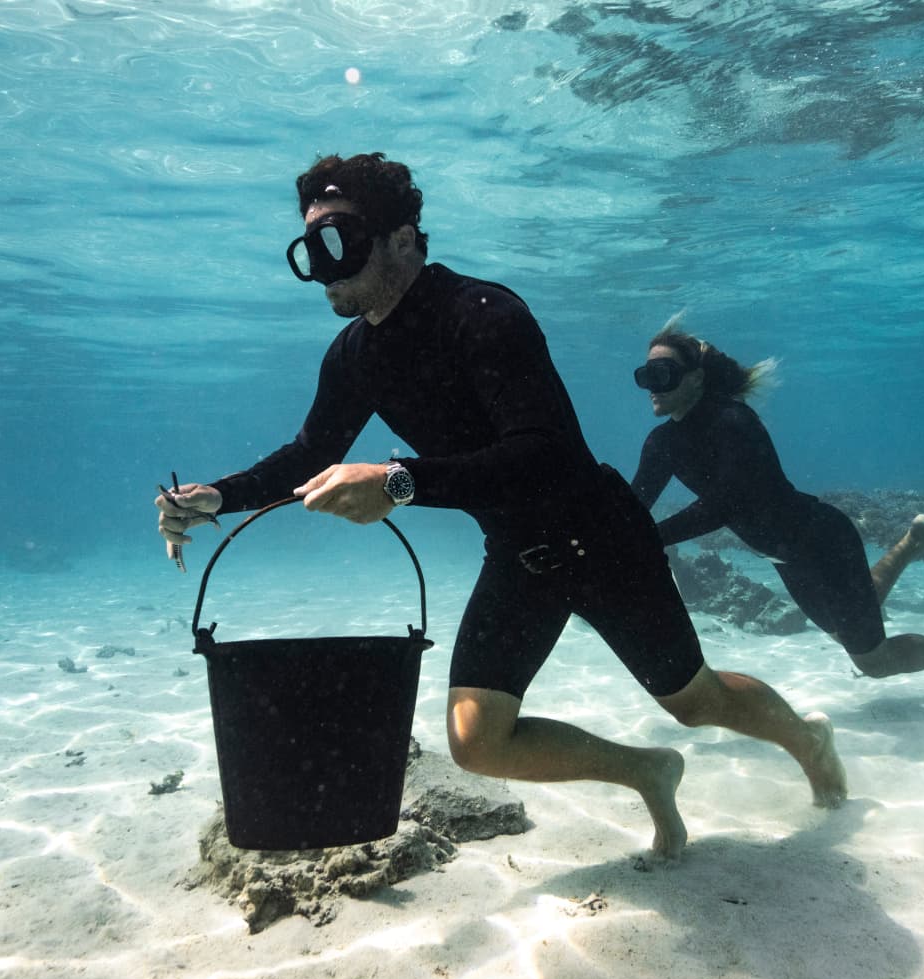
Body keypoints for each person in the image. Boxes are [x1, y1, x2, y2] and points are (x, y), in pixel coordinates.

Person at [156, 153, 845, 860]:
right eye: (313, 249)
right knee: (477, 741)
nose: (326, 267)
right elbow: (310, 452)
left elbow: (540, 455)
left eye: (343, 241)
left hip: (602, 538)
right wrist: (218, 497)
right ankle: (647, 771)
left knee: (696, 702)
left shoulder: (484, 314)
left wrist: (397, 482)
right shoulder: (353, 355)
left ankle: (807, 739)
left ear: (403, 239)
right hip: (520, 555)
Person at [628, 321, 924, 706]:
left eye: (662, 374)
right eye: (645, 376)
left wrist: (649, 540)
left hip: (823, 544)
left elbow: (724, 504)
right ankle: (917, 537)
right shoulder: (661, 442)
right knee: (849, 626)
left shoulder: (732, 421)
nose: (652, 386)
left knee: (872, 660)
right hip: (783, 556)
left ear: (696, 378)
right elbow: (633, 508)